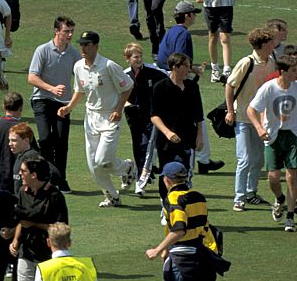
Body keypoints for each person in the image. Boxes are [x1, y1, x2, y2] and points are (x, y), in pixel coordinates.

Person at [59, 31, 136, 206]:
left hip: (110, 117)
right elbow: (80, 90)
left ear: (95, 46)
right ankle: (112, 196)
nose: (83, 48)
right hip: (91, 119)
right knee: (93, 165)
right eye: (81, 45)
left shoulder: (109, 66)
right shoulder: (78, 66)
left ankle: (127, 167)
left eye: (87, 44)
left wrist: (118, 108)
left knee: (102, 160)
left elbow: (128, 87)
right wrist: (69, 107)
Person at [11, 155, 69, 281]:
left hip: (48, 259)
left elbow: (61, 228)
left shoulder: (55, 196)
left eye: (24, 171)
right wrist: (16, 240)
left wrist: (33, 223)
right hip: (26, 255)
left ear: (34, 175)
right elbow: (20, 219)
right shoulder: (21, 192)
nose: (20, 174)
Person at [224, 27, 276, 211]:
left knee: (258, 159)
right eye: (271, 42)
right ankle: (239, 197)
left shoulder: (272, 60)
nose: (274, 45)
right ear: (262, 45)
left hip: (262, 119)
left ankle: (251, 192)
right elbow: (230, 86)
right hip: (243, 118)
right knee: (244, 158)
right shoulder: (246, 62)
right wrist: (230, 111)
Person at [247, 54, 297, 231]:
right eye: (293, 70)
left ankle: (290, 216)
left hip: (293, 136)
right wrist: (260, 128)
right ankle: (280, 199)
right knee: (273, 177)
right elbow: (251, 109)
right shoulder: (269, 88)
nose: (296, 73)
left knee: (292, 175)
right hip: (273, 136)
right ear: (283, 72)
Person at [28, 16, 78, 192]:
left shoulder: (73, 53)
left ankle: (60, 179)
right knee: (45, 139)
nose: (70, 35)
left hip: (63, 103)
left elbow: (81, 74)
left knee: (61, 142)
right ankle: (48, 176)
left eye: (71, 31)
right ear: (56, 31)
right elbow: (32, 77)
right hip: (42, 99)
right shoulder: (42, 50)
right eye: (66, 31)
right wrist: (51, 88)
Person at [150, 52, 203, 196]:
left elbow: (198, 114)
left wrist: (200, 135)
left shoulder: (192, 86)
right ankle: (165, 204)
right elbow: (154, 116)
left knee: (185, 172)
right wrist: (167, 132)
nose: (188, 69)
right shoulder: (160, 87)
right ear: (175, 67)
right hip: (166, 140)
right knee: (166, 171)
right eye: (185, 66)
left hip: (188, 136)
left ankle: (182, 201)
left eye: (189, 66)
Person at [122, 41, 166, 196]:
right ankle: (143, 173)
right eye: (135, 57)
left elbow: (168, 78)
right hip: (133, 115)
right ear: (128, 58)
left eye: (140, 56)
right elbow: (118, 93)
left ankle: (142, 181)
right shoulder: (124, 74)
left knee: (147, 146)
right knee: (138, 146)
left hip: (150, 115)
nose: (139, 59)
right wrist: (126, 104)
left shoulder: (152, 71)